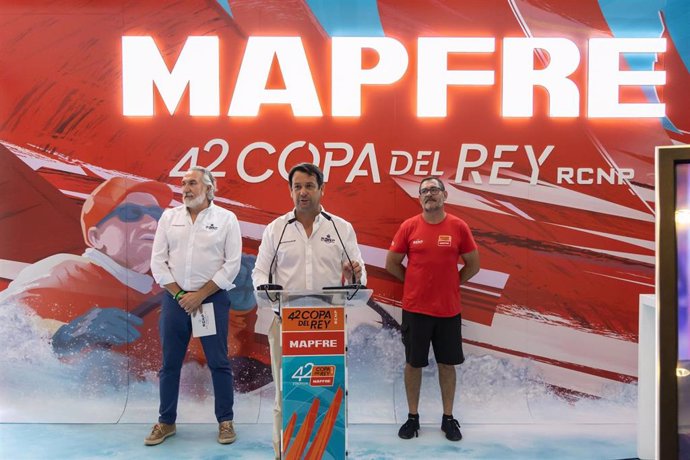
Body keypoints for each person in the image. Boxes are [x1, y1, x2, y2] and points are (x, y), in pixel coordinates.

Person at [252, 163, 366, 459]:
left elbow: (358, 278)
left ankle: (332, 450)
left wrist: (352, 274)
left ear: (322, 189)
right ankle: (284, 453)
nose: (303, 192)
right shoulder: (276, 229)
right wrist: (266, 289)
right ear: (290, 191)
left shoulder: (341, 228)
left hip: (329, 325)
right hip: (286, 324)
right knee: (284, 392)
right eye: (297, 187)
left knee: (330, 390)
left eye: (309, 186)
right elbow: (259, 273)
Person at [0, 176, 173, 371]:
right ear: (96, 237)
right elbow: (6, 325)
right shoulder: (65, 271)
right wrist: (65, 335)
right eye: (131, 213)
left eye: (158, 215)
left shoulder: (163, 296)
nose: (152, 224)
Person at [146, 166, 242, 446]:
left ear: (210, 188)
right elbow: (157, 262)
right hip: (176, 300)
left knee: (219, 363)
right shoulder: (169, 217)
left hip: (211, 299)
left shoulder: (226, 219)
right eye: (184, 183)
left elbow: (232, 264)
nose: (186, 189)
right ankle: (166, 422)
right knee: (170, 364)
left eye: (193, 183)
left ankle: (225, 422)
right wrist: (180, 296)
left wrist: (199, 295)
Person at [385, 176, 480, 442]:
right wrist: (413, 283)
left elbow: (473, 264)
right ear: (420, 198)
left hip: (448, 311)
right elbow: (392, 262)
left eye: (434, 190)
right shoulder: (409, 226)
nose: (429, 194)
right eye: (424, 191)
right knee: (413, 364)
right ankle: (412, 418)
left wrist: (452, 285)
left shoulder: (459, 227)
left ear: (445, 195)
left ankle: (448, 419)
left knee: (447, 365)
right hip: (416, 310)